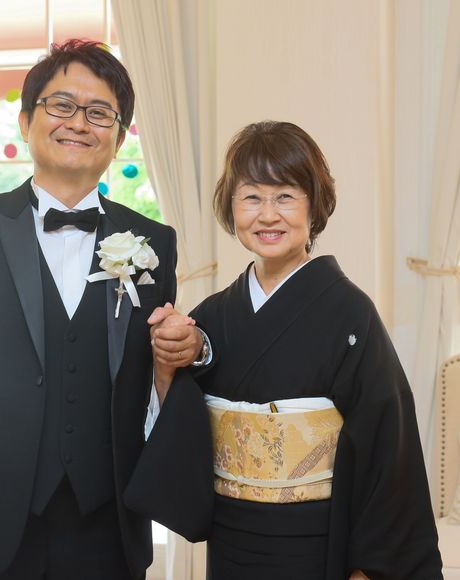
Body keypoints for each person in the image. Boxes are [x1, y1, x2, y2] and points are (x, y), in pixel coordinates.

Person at [0, 39, 206, 580]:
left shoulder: (154, 242)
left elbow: (152, 380)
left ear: (119, 137)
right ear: (26, 121)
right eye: (62, 105)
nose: (79, 123)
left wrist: (191, 350)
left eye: (100, 113)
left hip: (110, 526)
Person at [150, 120, 443, 579]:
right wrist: (167, 364)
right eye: (251, 197)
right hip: (231, 542)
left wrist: (369, 569)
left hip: (315, 543)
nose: (268, 215)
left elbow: (388, 447)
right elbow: (181, 431)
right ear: (231, 207)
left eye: (285, 196)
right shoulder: (212, 316)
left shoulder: (350, 313)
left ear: (314, 204)